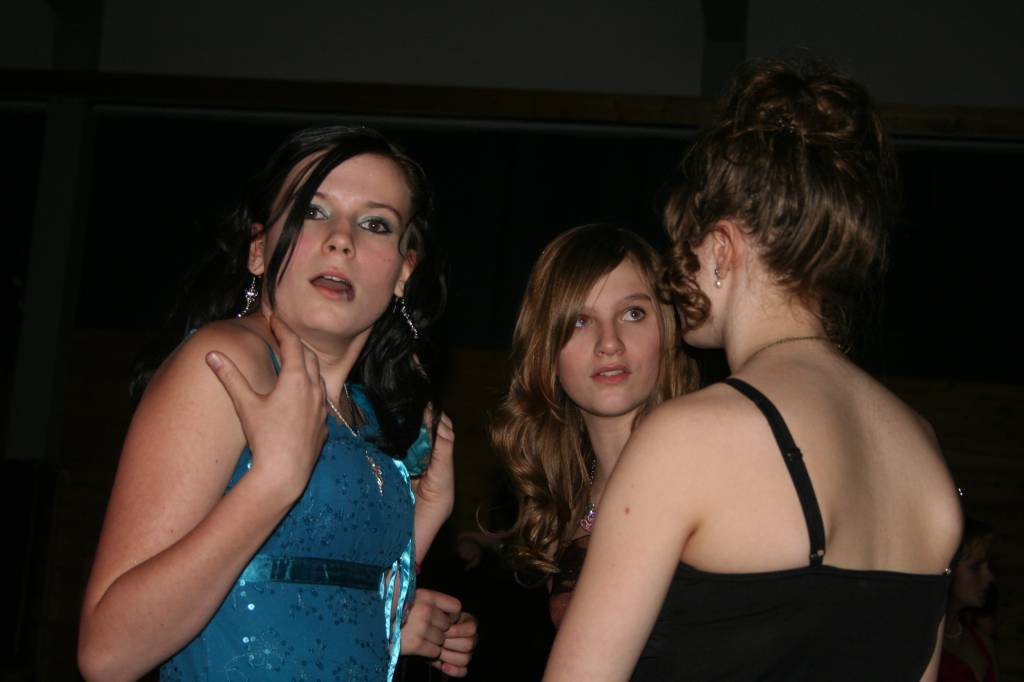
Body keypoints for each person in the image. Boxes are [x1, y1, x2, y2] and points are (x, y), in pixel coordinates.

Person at [544, 60, 963, 681]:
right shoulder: (922, 453)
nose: (676, 273)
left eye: (686, 248)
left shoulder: (687, 438)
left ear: (721, 250)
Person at [78, 125, 474, 681]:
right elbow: (108, 654)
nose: (341, 240)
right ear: (259, 250)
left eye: (375, 224)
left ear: (404, 271)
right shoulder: (224, 363)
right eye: (313, 211)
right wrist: (273, 481)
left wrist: (425, 518)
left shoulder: (363, 413)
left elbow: (312, 598)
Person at [492, 224, 697, 627]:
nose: (609, 343)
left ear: (668, 328)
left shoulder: (707, 475)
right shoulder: (561, 506)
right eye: (580, 321)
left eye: (633, 313)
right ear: (546, 346)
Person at [939, 517, 998, 681]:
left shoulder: (982, 642)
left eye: (988, 566)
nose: (989, 577)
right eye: (975, 567)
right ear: (947, 570)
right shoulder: (921, 643)